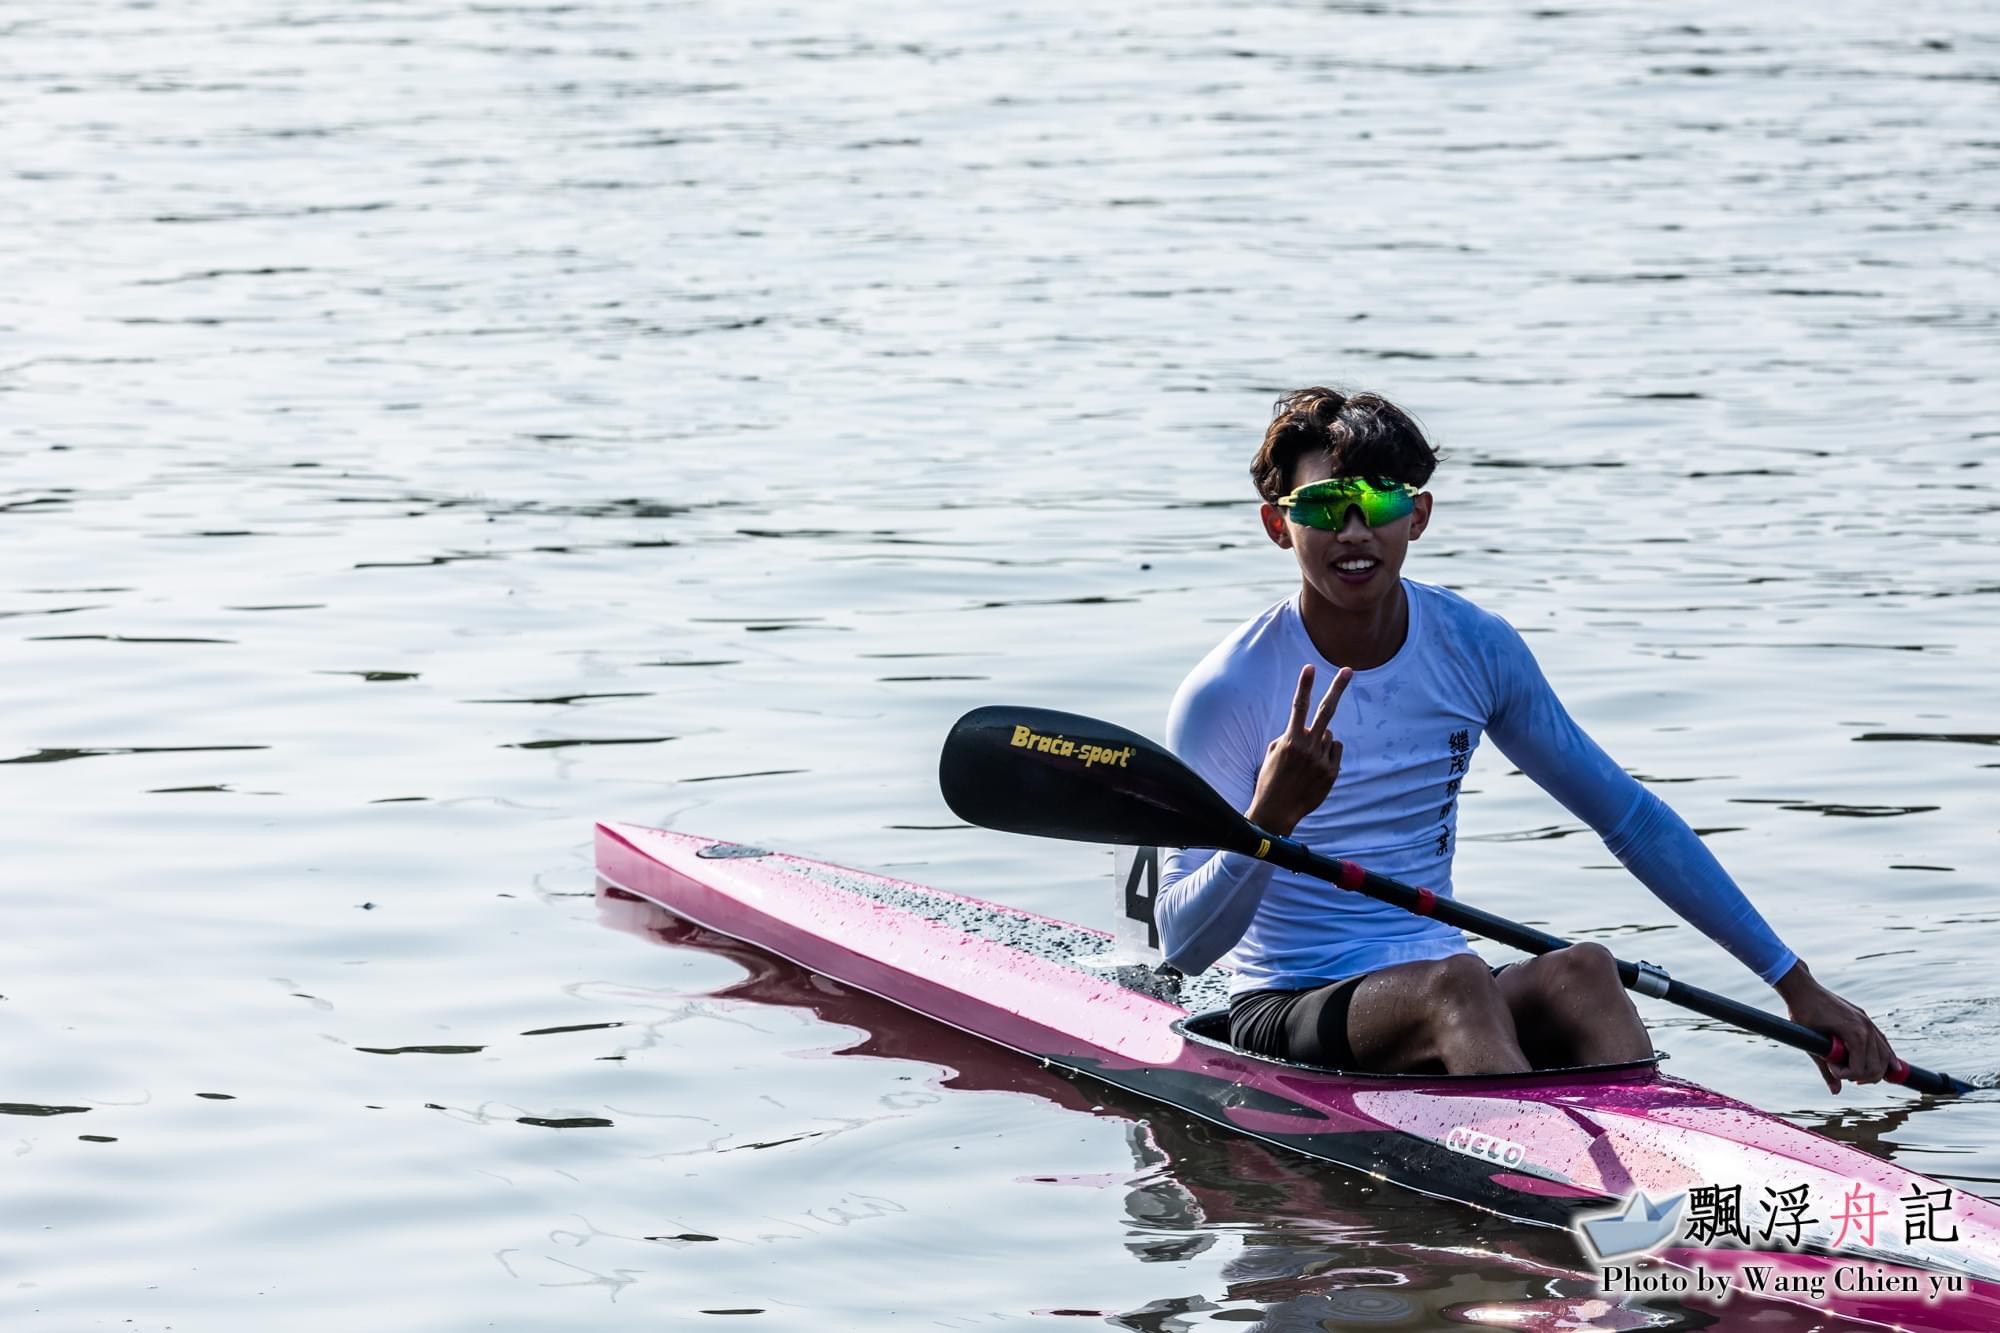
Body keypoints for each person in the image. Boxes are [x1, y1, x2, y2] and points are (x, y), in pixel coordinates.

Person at [1155, 387, 1895, 1090]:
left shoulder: (1474, 648)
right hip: (1287, 1004)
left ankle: (1660, 1171)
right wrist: (1267, 825)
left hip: (1446, 987)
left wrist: (1795, 986)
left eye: (1379, 500)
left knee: (1585, 970)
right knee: (1459, 984)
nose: (1354, 531)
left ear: (1417, 515)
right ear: (1278, 524)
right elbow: (1183, 944)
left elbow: (1630, 819)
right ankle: (1550, 1199)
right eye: (1323, 504)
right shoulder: (1229, 691)